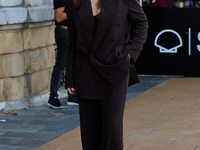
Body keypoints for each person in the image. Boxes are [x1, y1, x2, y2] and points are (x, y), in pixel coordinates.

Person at [65, 0, 148, 149]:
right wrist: (70, 78)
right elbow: (72, 41)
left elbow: (142, 23)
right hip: (86, 71)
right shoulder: (74, 2)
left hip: (114, 68)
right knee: (89, 129)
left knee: (112, 126)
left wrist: (129, 54)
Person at [47, 0, 78, 109]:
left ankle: (72, 95)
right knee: (61, 64)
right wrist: (78, 8)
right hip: (63, 32)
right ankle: (53, 97)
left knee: (74, 63)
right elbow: (59, 17)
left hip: (72, 32)